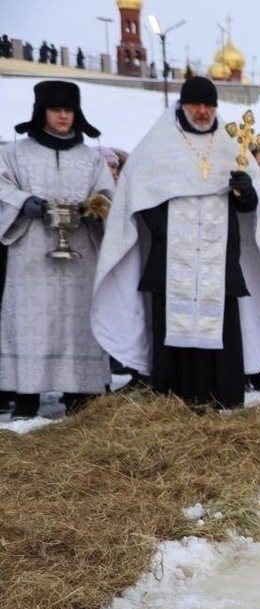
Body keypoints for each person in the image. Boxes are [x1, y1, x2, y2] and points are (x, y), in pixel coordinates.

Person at [93, 77, 260, 410]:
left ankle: (222, 400)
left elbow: (248, 209)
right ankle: (174, 402)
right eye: (196, 104)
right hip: (171, 262)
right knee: (171, 337)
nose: (202, 111)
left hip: (219, 262)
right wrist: (167, 231)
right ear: (182, 105)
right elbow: (139, 199)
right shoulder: (158, 146)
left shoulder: (231, 146)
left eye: (209, 105)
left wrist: (245, 190)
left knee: (222, 336)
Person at [0, 80, 113, 420]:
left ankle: (79, 393)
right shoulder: (16, 153)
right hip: (31, 256)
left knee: (77, 322)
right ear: (42, 112)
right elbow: (2, 187)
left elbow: (109, 194)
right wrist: (24, 203)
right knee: (30, 324)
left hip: (81, 257)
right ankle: (27, 397)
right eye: (57, 109)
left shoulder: (91, 158)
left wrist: (97, 207)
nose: (64, 116)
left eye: (69, 110)